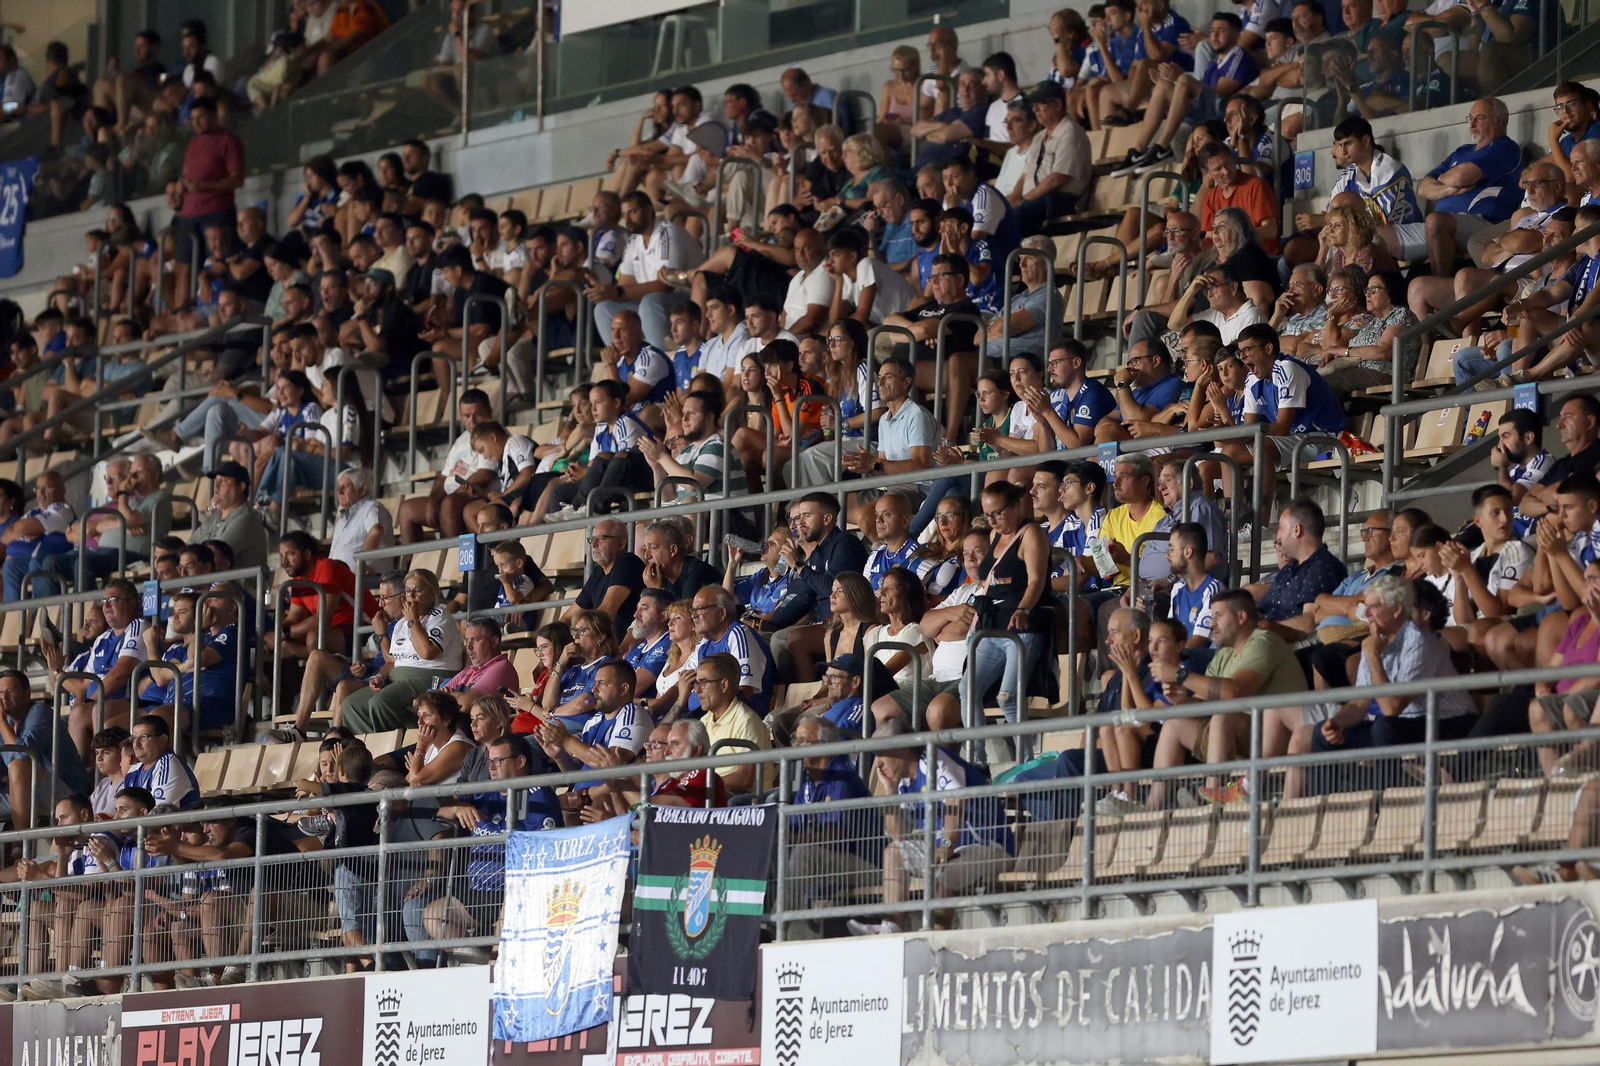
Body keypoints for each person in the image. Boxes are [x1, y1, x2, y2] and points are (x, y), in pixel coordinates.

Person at [1306, 576, 1478, 793]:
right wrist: (1338, 723)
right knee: (1322, 734)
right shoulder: (1375, 641)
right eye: (1365, 607)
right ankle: (1327, 812)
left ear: (1397, 610)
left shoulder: (1420, 640)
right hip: (1406, 725)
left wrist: (1372, 655)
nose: (1366, 614)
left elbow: (1391, 707)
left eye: (1373, 607)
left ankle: (1384, 806)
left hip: (1451, 722)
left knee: (1384, 726)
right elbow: (1360, 702)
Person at [846, 717, 1012, 935]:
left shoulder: (935, 759)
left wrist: (945, 845)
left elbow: (955, 802)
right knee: (893, 852)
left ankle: (937, 932)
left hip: (991, 848)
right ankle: (891, 926)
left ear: (903, 748)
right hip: (950, 853)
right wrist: (891, 791)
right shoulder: (903, 781)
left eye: (882, 753)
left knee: (942, 869)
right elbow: (900, 836)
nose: (877, 763)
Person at [1145, 590, 1307, 806]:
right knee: (1175, 723)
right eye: (1212, 617)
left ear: (1241, 617)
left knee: (1222, 717)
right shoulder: (1224, 655)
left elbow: (1235, 692)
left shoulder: (1263, 641)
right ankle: (1152, 808)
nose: (1212, 624)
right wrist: (1184, 702)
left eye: (1219, 615)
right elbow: (1206, 700)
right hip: (1239, 735)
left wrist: (1179, 674)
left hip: (1275, 737)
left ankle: (1213, 798)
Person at [341, 569, 463, 733]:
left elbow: (427, 653)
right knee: (352, 705)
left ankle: (399, 748)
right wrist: (379, 676)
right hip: (398, 678)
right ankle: (373, 749)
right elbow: (393, 660)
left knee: (380, 703)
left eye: (417, 590)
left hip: (431, 676)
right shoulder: (401, 623)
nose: (411, 596)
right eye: (407, 591)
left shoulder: (440, 616)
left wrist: (413, 621)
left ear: (433, 593)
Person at [165, 98, 244, 310]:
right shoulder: (192, 143)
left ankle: (220, 310)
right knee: (183, 266)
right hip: (187, 214)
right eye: (192, 119)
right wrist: (177, 192)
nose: (197, 123)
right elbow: (186, 175)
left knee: (218, 264)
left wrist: (206, 186)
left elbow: (237, 179)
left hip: (217, 211)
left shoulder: (228, 140)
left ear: (213, 115)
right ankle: (182, 313)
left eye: (201, 117)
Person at [693, 652, 774, 794]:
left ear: (724, 685)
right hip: (713, 795)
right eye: (697, 683)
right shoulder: (704, 720)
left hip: (743, 803)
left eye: (704, 683)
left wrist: (701, 786)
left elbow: (744, 779)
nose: (697, 690)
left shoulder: (746, 720)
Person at [1017, 81, 1093, 233]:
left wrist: (1025, 201)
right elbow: (1026, 175)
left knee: (1016, 218)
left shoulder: (1070, 132)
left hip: (1058, 202)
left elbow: (1057, 179)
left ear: (1058, 104)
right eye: (1034, 105)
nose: (1035, 109)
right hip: (1034, 202)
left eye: (1041, 103)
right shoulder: (1038, 137)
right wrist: (1012, 201)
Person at [564, 518, 647, 640]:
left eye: (601, 538)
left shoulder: (628, 562)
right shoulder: (599, 572)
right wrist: (554, 638)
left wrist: (580, 635)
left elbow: (607, 611)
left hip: (625, 647)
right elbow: (569, 617)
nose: (594, 544)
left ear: (621, 544)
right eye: (592, 539)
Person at [188, 462, 271, 570]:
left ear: (241, 487)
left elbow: (214, 557)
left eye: (223, 481)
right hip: (212, 583)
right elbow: (188, 548)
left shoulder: (246, 518)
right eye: (216, 481)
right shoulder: (215, 516)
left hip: (239, 585)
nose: (216, 486)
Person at [122, 715, 200, 811]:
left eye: (143, 737)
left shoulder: (168, 765)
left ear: (162, 740)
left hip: (178, 825)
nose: (136, 743)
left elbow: (159, 816)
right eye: (134, 738)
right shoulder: (133, 770)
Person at [328, 467, 393, 571]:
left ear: (362, 490)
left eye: (345, 487)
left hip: (368, 579)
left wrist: (361, 564)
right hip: (343, 579)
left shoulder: (371, 507)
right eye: (339, 487)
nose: (339, 492)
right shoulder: (342, 520)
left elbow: (376, 531)